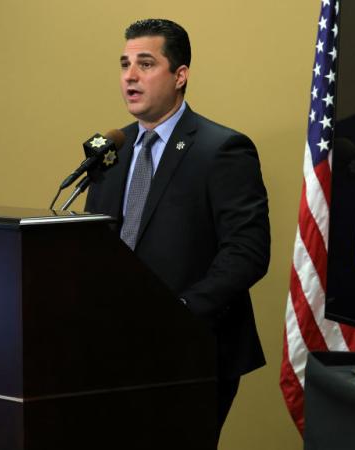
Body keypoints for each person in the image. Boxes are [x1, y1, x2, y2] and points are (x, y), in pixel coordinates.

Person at [85, 19, 270, 442]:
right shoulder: (111, 149)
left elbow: (247, 252)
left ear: (180, 74)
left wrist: (178, 314)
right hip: (115, 352)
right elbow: (95, 246)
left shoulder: (221, 149)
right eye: (125, 64)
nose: (130, 76)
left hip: (192, 351)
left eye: (145, 64)